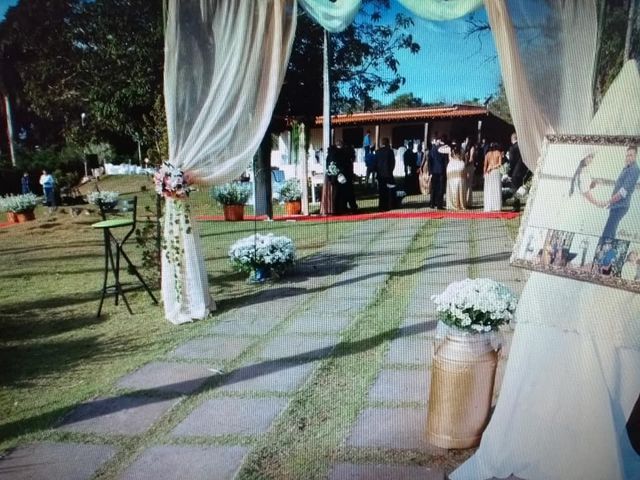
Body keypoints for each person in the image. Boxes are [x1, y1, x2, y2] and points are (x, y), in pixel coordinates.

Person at [599, 145, 639, 240]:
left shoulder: (635, 169)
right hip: (616, 205)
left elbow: (622, 192)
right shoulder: (627, 168)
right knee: (610, 232)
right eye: (627, 155)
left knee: (607, 233)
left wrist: (608, 202)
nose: (628, 158)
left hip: (620, 206)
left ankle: (602, 251)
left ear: (635, 156)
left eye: (631, 155)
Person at [507, 133, 532, 212]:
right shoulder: (524, 147)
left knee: (515, 189)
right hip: (524, 170)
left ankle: (516, 206)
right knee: (524, 188)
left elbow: (511, 161)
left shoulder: (512, 148)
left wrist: (509, 172)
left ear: (512, 139)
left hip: (515, 172)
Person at [440, 142, 467, 210]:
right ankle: (461, 203)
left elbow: (439, 150)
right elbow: (464, 158)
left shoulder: (449, 149)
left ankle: (453, 203)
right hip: (460, 166)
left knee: (452, 186)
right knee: (460, 185)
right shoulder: (462, 149)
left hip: (451, 167)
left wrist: (445, 145)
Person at [375, 137, 395, 212]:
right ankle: (388, 205)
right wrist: (390, 171)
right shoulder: (390, 151)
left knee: (381, 191)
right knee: (388, 191)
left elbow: (375, 163)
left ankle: (381, 206)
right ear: (387, 143)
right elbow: (392, 163)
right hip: (388, 174)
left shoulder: (377, 152)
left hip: (380, 175)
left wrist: (377, 172)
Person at [428, 137, 447, 209]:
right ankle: (437, 204)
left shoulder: (434, 150)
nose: (439, 142)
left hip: (437, 172)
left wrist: (430, 172)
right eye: (438, 141)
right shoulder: (436, 150)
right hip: (438, 172)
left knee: (435, 189)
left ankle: (433, 204)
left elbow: (430, 162)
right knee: (439, 189)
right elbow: (430, 162)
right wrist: (430, 172)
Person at [483, 142, 502, 212]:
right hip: (495, 172)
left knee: (489, 189)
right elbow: (499, 164)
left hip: (488, 172)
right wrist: (493, 167)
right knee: (496, 189)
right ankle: (496, 206)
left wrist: (484, 173)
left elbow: (485, 165)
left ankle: (489, 205)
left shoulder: (487, 154)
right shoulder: (498, 153)